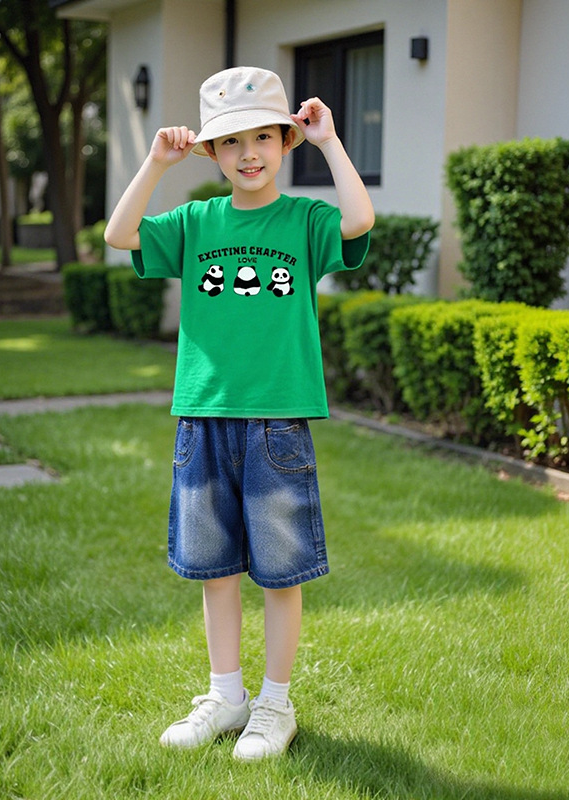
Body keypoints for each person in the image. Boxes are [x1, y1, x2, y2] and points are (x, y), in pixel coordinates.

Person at [105, 65, 374, 761]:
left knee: (281, 571)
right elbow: (119, 234)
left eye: (263, 137)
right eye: (231, 141)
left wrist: (330, 141)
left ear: (285, 142)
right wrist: (156, 163)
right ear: (212, 152)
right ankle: (226, 696)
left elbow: (358, 220)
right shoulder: (196, 222)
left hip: (277, 420)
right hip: (203, 418)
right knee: (215, 567)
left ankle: (275, 705)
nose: (248, 153)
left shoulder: (305, 221)